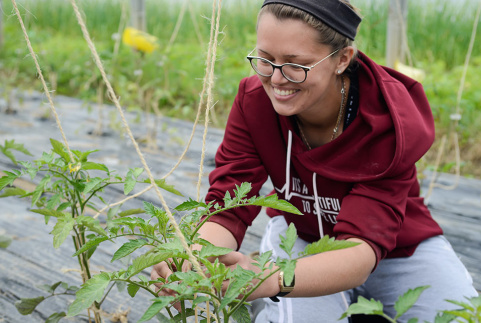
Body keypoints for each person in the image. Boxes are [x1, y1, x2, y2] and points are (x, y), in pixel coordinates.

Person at [152, 0, 478, 321]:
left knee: (457, 317)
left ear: (342, 59)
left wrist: (271, 279)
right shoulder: (255, 102)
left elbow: (359, 251)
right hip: (302, 237)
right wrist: (196, 256)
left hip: (397, 247)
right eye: (265, 60)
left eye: (296, 65)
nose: (277, 80)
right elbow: (228, 207)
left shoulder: (387, 118)